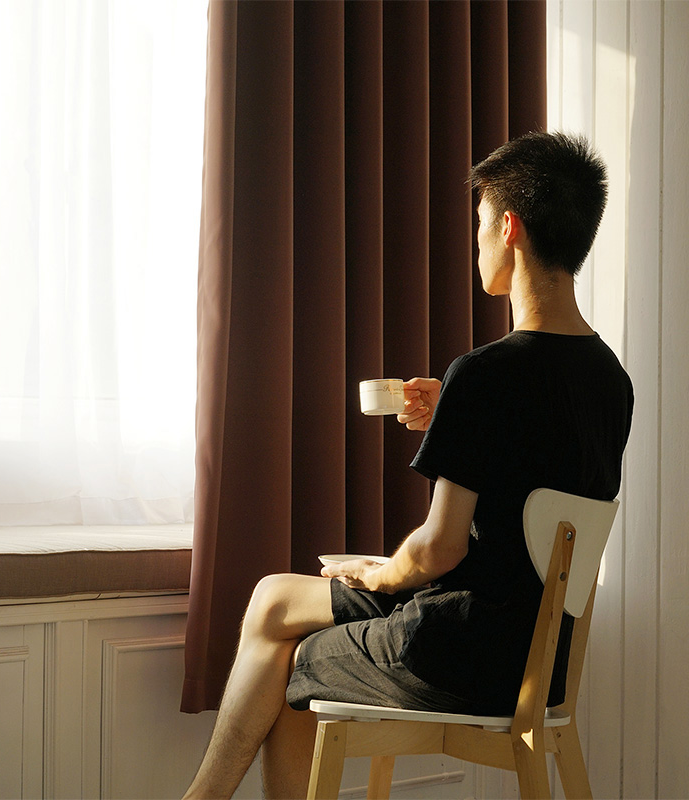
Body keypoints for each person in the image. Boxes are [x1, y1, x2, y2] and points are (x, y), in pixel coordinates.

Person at [183, 131, 634, 799]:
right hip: (540, 657)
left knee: (294, 657)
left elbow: (438, 549)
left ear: (509, 228)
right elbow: (536, 465)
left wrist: (379, 572)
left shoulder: (486, 374)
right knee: (274, 597)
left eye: (480, 222)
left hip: (461, 650)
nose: (476, 241)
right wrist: (455, 412)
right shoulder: (610, 381)